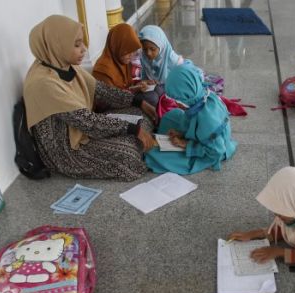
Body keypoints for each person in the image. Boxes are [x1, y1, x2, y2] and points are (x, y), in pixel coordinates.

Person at [23, 15, 156, 181]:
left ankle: (140, 140)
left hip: (82, 131)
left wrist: (138, 101)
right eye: (77, 44)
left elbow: (102, 90)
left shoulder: (66, 66)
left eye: (82, 43)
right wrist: (134, 130)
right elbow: (87, 121)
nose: (84, 49)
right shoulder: (43, 83)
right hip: (68, 151)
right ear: (57, 45)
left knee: (138, 114)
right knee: (128, 155)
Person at [145, 64, 237, 174]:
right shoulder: (200, 96)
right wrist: (181, 133)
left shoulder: (208, 120)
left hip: (211, 149)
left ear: (188, 97)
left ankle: (188, 153)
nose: (175, 103)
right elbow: (188, 117)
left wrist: (186, 145)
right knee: (171, 116)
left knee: (153, 154)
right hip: (202, 131)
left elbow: (216, 151)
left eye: (178, 100)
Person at [92, 23, 161, 120]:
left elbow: (128, 84)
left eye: (133, 51)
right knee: (151, 97)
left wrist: (141, 83)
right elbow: (111, 99)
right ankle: (155, 119)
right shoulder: (102, 70)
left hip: (128, 97)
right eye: (126, 51)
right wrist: (134, 89)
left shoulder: (122, 61)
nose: (131, 55)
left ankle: (160, 119)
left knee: (158, 89)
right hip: (111, 109)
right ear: (116, 46)